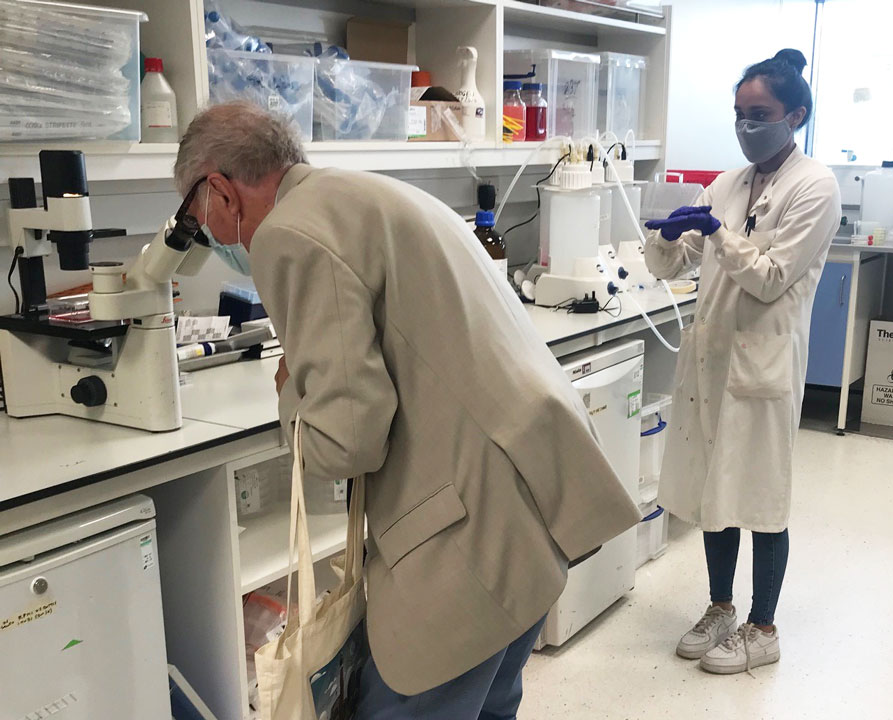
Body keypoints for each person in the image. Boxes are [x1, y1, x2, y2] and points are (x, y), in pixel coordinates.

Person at [173, 101, 641, 718]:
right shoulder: (368, 196)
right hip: (530, 509)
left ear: (219, 191)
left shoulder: (287, 234)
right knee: (490, 705)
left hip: (467, 539)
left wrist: (292, 393)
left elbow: (346, 444)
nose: (202, 232)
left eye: (192, 214)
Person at [644, 49, 841, 675]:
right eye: (739, 113)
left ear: (796, 115)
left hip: (764, 366)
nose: (746, 125)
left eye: (759, 114)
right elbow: (670, 268)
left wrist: (719, 235)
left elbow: (772, 276)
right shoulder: (727, 183)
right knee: (714, 492)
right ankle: (721, 607)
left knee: (760, 496)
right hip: (711, 364)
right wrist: (668, 236)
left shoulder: (816, 186)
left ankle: (764, 627)